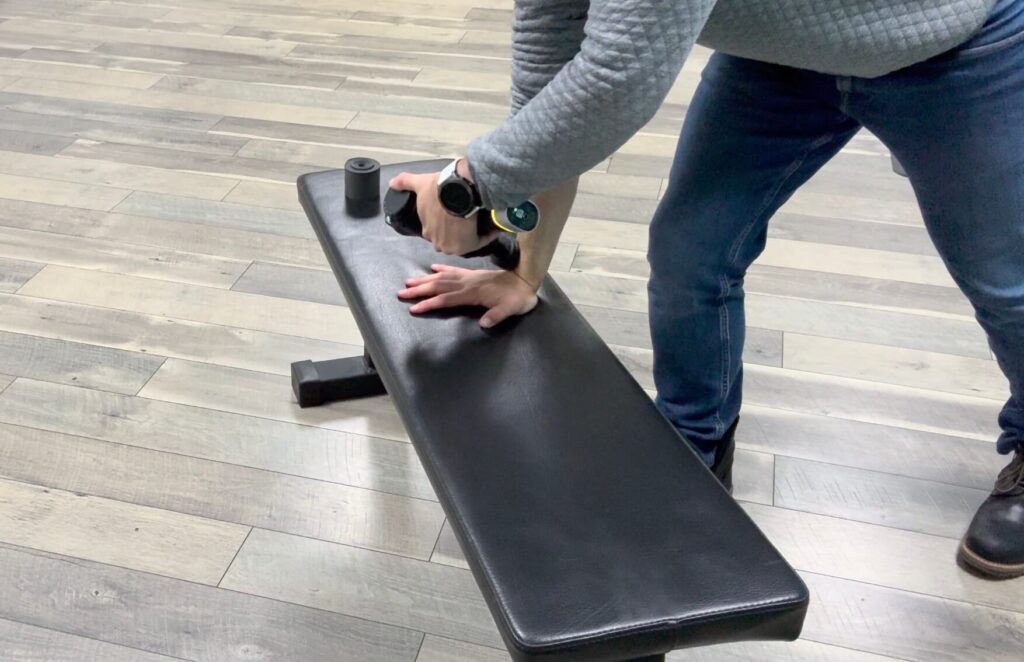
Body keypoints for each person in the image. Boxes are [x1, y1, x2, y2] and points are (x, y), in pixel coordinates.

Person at [388, 0, 1024, 579]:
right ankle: (697, 441)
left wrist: (468, 183)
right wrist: (523, 271)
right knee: (690, 253)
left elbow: (615, 82)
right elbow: (548, 112)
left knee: (1006, 284)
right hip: (786, 54)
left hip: (950, 43)